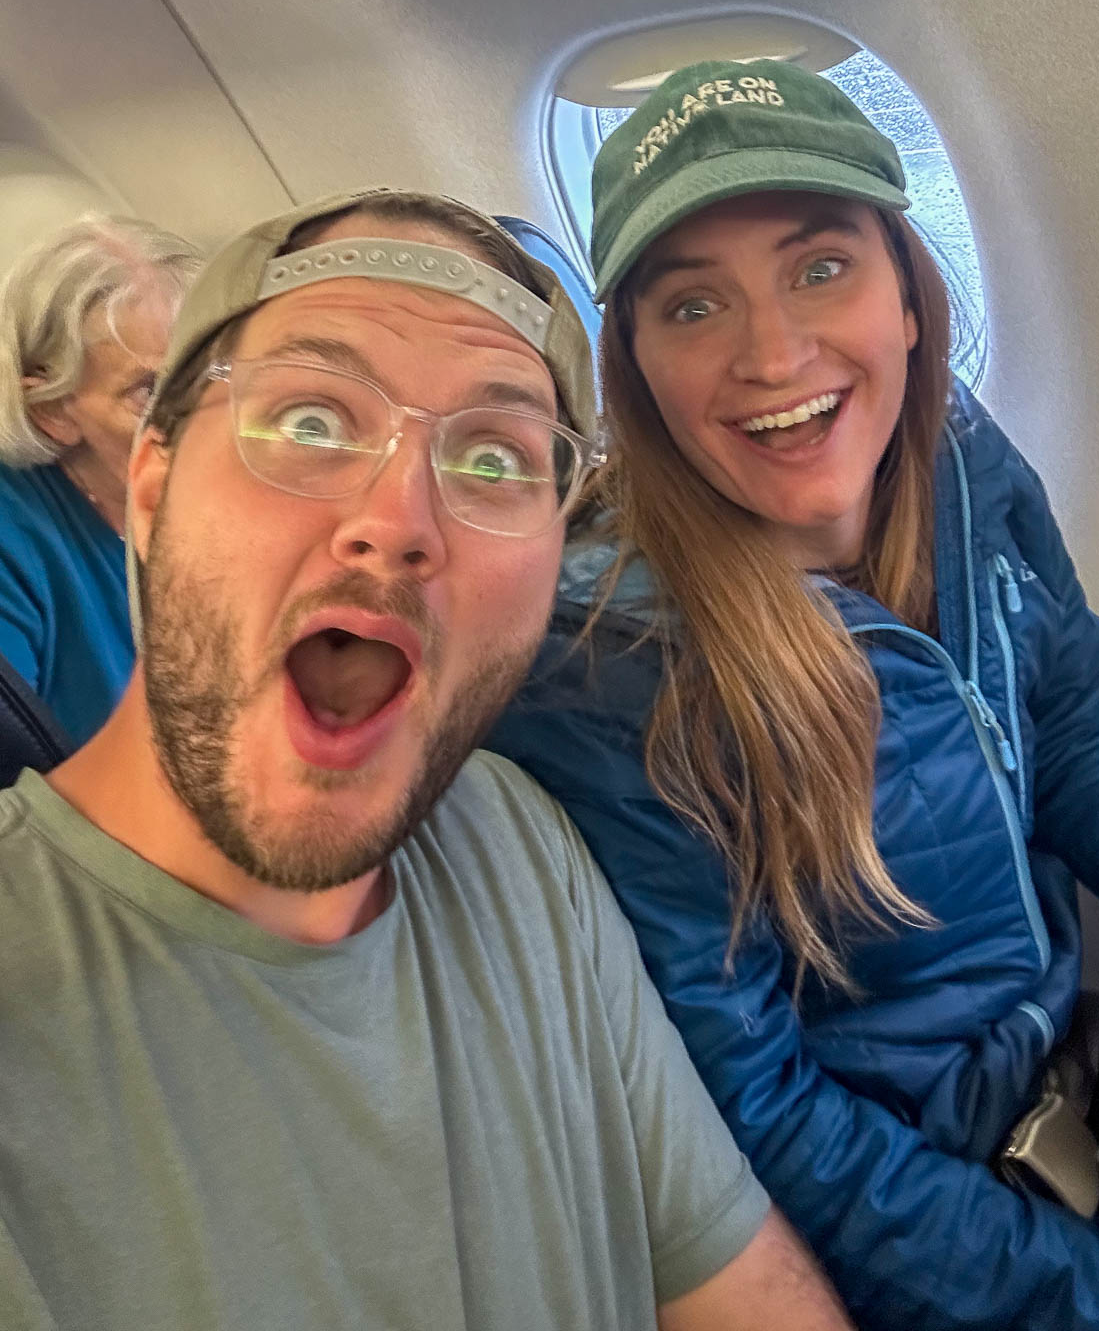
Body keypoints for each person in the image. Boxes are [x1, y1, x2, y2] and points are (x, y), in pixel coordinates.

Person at [0, 185, 853, 1331]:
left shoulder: (516, 838)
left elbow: (738, 1286)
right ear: (149, 490)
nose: (400, 518)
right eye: (310, 421)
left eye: (496, 460)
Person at [487, 59, 1099, 1331]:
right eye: (693, 306)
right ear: (635, 367)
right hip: (908, 1220)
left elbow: (1083, 731)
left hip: (1063, 1080)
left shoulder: (958, 457)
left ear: (911, 297)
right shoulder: (610, 663)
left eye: (821, 268)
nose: (773, 355)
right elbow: (753, 1115)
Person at [0, 214, 201, 742]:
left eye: (210, 376)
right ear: (52, 410)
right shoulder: (13, 542)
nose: (204, 419)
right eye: (150, 391)